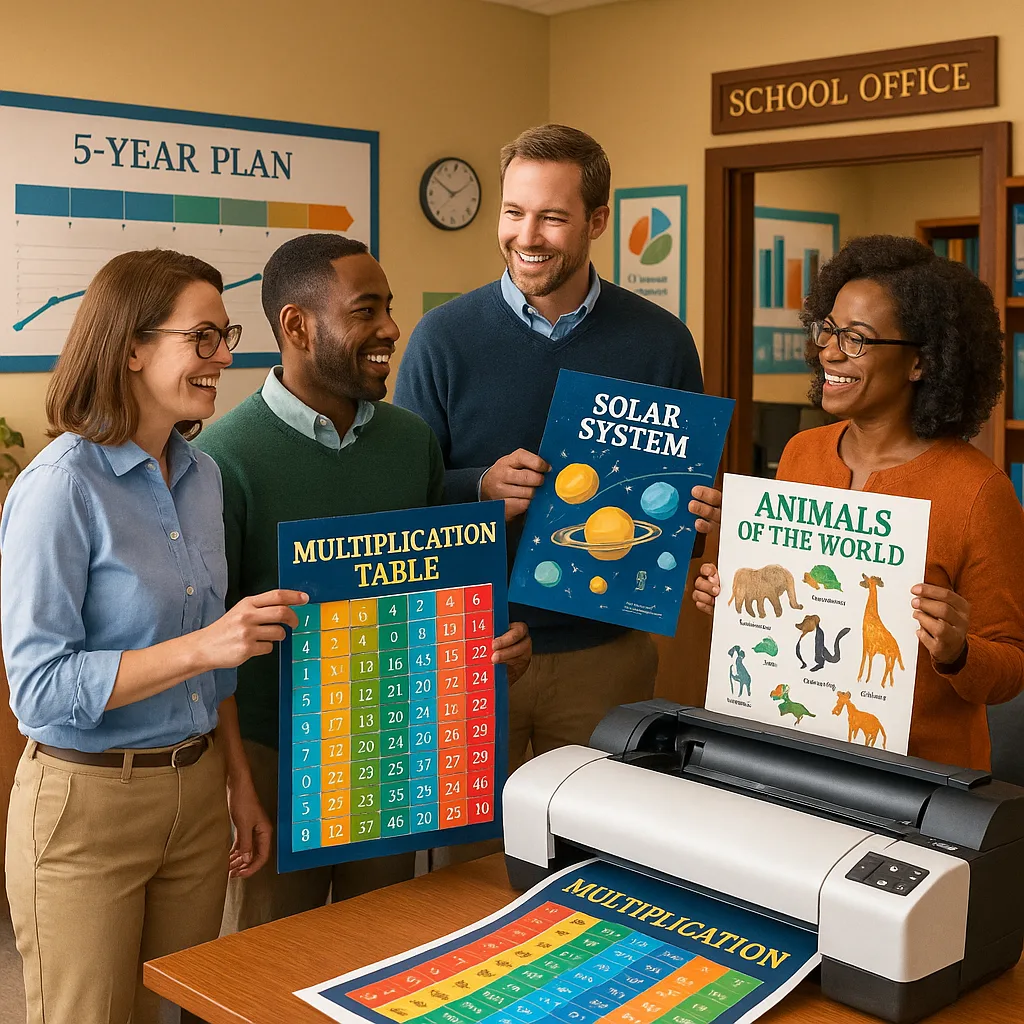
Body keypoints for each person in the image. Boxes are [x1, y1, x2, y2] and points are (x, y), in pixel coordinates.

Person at [0, 249, 305, 1024]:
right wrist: (203, 648)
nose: (226, 357)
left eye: (225, 335)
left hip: (198, 793)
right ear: (131, 346)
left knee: (172, 1012)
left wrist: (237, 779)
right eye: (203, 338)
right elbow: (38, 689)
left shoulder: (203, 477)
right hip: (86, 806)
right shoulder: (59, 487)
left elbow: (218, 663)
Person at [195, 232, 532, 931]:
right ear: (296, 325)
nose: (390, 330)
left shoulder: (412, 444)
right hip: (273, 757)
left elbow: (429, 587)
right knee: (270, 961)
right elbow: (209, 641)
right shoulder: (223, 459)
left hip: (390, 746)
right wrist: (234, 782)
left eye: (390, 308)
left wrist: (488, 642)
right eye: (366, 310)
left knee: (379, 942)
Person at [395, 124, 716, 772]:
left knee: (601, 846)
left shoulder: (663, 343)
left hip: (607, 654)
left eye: (552, 218)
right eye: (513, 213)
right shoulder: (442, 339)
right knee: (472, 860)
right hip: (475, 644)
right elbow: (405, 495)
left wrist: (698, 517)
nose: (527, 236)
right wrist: (478, 487)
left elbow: (684, 520)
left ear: (598, 220)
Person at [693, 235, 1024, 771]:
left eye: (857, 338)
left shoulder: (980, 492)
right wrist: (729, 601)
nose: (829, 351)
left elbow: (1010, 668)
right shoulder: (802, 453)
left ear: (920, 362)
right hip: (792, 758)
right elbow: (795, 611)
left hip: (920, 785)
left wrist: (959, 649)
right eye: (827, 329)